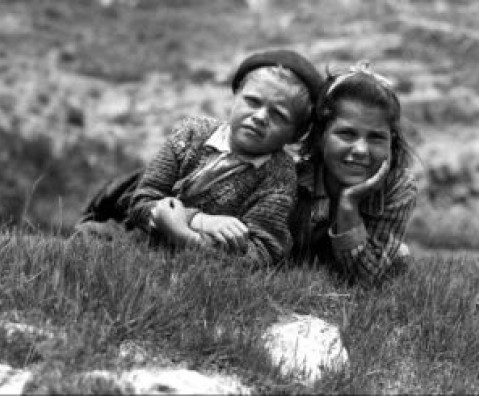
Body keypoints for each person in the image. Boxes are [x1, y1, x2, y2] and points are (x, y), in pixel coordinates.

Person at [76, 49, 324, 267]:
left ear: (296, 133)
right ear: (235, 96)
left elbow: (261, 251)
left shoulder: (279, 176)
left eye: (278, 115)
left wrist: (185, 236)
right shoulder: (192, 132)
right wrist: (201, 220)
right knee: (89, 236)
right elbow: (142, 201)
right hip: (141, 236)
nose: (260, 117)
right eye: (252, 101)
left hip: (207, 258)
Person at [290, 61, 418, 286]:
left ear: (391, 142)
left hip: (354, 270)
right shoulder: (293, 176)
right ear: (321, 137)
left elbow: (365, 279)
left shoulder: (398, 187)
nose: (361, 150)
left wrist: (348, 207)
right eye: (347, 134)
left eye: (376, 137)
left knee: (399, 256)